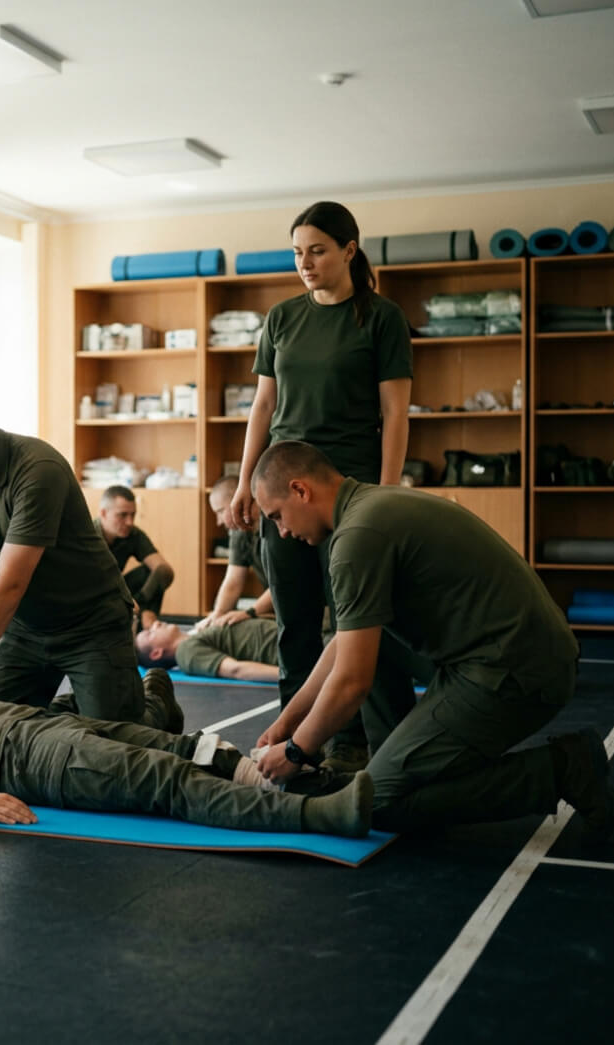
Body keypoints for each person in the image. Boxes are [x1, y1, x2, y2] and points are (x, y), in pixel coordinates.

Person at [248, 440, 614, 841]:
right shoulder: (372, 505)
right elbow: (343, 645)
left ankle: (561, 770)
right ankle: (396, 762)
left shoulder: (356, 540)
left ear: (301, 491)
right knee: (372, 643)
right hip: (518, 653)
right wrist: (289, 722)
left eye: (278, 516)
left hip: (515, 672)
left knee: (374, 804)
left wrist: (295, 752)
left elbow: (352, 681)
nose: (282, 532)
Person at [227, 201, 414, 768]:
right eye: (297, 252)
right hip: (282, 490)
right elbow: (263, 405)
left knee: (359, 624)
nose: (304, 262)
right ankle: (299, 745)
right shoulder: (282, 317)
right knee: (296, 628)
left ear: (349, 251)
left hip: (348, 494)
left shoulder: (379, 317)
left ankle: (377, 748)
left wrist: (384, 494)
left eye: (317, 250)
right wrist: (243, 484)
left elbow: (396, 414)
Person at [0, 669, 375, 839]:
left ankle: (295, 784)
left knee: (179, 745)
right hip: (32, 760)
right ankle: (315, 817)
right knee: (167, 779)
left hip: (39, 728)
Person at [0, 376, 146, 723]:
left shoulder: (37, 469)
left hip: (91, 623)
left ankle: (153, 701)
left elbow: (10, 584)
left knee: (115, 744)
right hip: (26, 626)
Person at [198, 473, 273, 631]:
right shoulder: (239, 532)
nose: (218, 522)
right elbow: (233, 581)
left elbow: (283, 583)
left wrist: (248, 613)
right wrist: (216, 616)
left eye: (220, 511)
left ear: (237, 500)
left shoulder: (273, 524)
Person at [93, 485, 174, 630]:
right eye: (122, 515)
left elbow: (164, 571)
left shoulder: (133, 534)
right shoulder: (87, 536)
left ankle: (145, 626)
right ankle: (143, 627)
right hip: (92, 595)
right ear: (103, 513)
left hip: (120, 591)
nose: (130, 522)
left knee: (152, 573)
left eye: (133, 515)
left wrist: (141, 604)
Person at [135, 618, 279, 683]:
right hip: (284, 648)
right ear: (156, 653)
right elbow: (237, 670)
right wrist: (289, 676)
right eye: (150, 633)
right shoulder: (187, 653)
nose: (156, 623)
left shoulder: (193, 636)